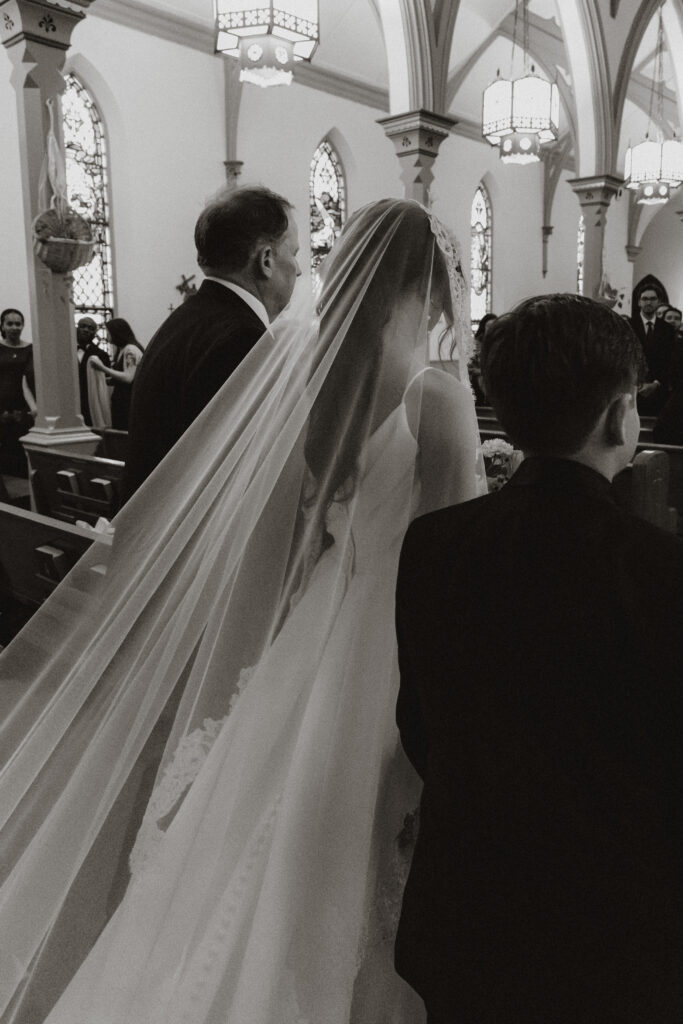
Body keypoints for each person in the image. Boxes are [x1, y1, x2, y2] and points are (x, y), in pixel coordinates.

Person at [0, 198, 483, 1024]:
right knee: (355, 839)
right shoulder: (436, 395)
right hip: (392, 642)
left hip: (319, 629)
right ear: (432, 287)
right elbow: (454, 565)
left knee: (265, 818)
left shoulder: (314, 374)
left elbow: (307, 526)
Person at [395, 293, 683, 1024]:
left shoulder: (433, 546)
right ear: (621, 415)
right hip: (612, 937)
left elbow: (421, 726)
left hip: (465, 911)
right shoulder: (656, 567)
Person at [121, 185, 301, 502]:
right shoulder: (244, 340)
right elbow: (251, 475)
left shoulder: (181, 321)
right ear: (267, 260)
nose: (299, 269)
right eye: (295, 253)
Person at [91, 317, 144, 430]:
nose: (107, 336)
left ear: (117, 333)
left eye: (109, 333)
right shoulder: (122, 350)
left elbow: (129, 377)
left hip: (128, 402)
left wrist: (102, 368)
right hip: (121, 401)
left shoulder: (131, 349)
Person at [0, 307, 35, 478]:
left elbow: (32, 379)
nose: (14, 327)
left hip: (24, 405)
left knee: (21, 449)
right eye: (10, 323)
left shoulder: (30, 349)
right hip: (2, 406)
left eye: (18, 324)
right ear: (3, 326)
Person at [631, 284, 675, 414]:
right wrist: (638, 384)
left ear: (658, 302)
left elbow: (670, 360)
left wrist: (656, 383)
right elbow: (625, 358)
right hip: (634, 390)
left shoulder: (667, 329)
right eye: (644, 299)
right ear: (639, 302)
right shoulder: (628, 325)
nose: (648, 302)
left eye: (652, 298)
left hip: (659, 389)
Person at [75, 316, 111, 427]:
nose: (86, 330)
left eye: (90, 328)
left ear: (95, 333)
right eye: (83, 326)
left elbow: (105, 383)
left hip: (92, 404)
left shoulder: (102, 355)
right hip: (71, 403)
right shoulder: (65, 351)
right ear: (77, 329)